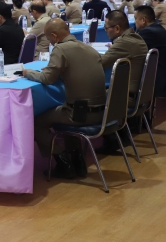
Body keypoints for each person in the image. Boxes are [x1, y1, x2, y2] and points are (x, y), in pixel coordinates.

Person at [23, 19, 106, 179]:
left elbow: (47, 78)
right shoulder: (88, 48)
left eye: (49, 38)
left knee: (35, 122)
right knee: (64, 107)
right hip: (103, 112)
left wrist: (28, 73)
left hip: (79, 114)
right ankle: (77, 161)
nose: (50, 42)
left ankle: (63, 163)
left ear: (54, 36)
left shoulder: (60, 49)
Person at [134, 6, 166, 97]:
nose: (135, 21)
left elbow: (133, 49)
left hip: (163, 82)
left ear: (143, 20)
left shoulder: (148, 32)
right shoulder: (159, 28)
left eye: (135, 18)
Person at [102, 11, 148, 97]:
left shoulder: (124, 42)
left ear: (117, 28)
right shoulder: (135, 37)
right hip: (135, 94)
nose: (106, 31)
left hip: (124, 97)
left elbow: (101, 63)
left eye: (106, 28)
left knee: (88, 95)